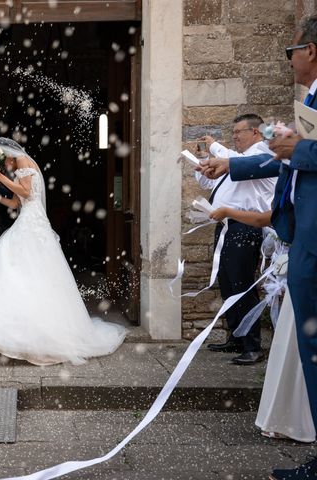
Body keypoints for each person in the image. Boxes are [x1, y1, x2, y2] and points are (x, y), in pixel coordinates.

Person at [200, 15, 317, 479]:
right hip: (301, 236)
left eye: (291, 51)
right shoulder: (309, 98)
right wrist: (225, 167)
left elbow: (301, 157)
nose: (288, 60)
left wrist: (300, 151)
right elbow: (279, 162)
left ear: (310, 49)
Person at [0, 138, 126, 365]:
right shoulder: (18, 166)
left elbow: (26, 191)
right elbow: (15, 203)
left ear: (8, 156)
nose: (7, 169)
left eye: (5, 164)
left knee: (23, 273)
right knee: (18, 273)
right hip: (25, 222)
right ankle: (18, 332)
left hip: (33, 225)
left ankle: (37, 336)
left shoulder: (23, 161)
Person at [210, 207, 315, 443]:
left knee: (298, 352)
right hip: (298, 271)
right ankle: (284, 419)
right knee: (288, 350)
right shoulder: (294, 195)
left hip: (305, 269)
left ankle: (298, 421)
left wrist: (228, 207)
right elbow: (272, 216)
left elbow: (263, 217)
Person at [195, 114, 276, 365]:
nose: (235, 136)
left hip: (247, 227)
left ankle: (253, 345)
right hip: (226, 226)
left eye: (239, 132)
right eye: (233, 133)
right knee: (227, 283)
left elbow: (240, 163)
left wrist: (215, 147)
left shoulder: (261, 154)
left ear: (256, 132)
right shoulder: (233, 160)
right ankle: (236, 336)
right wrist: (203, 162)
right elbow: (208, 182)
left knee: (242, 285)